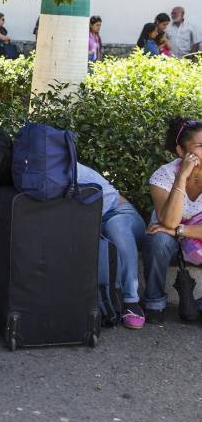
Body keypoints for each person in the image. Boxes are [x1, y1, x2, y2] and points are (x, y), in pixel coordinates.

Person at [142, 117, 202, 324]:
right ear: (181, 151)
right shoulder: (164, 175)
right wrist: (181, 177)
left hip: (194, 239)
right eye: (201, 146)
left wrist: (179, 230)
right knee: (158, 239)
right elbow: (168, 221)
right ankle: (154, 302)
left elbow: (173, 227)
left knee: (164, 233)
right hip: (169, 241)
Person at [77, 163, 147, 329]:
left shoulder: (65, 165)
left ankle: (131, 300)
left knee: (115, 226)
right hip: (94, 220)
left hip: (120, 212)